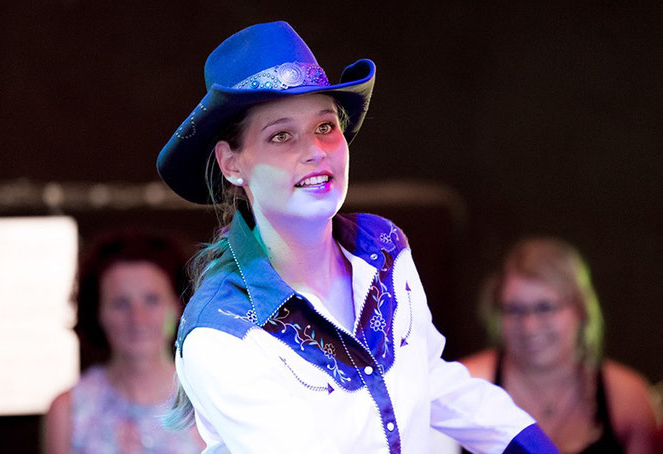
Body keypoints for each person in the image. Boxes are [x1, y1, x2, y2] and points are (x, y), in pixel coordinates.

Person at [156, 21, 558, 453]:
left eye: (325, 127)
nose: (314, 150)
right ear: (232, 164)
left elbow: (429, 378)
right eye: (281, 135)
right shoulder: (221, 333)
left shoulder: (382, 246)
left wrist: (530, 444)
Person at [460, 237, 657, 453]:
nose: (529, 326)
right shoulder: (465, 384)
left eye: (545, 307)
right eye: (514, 310)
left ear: (581, 309)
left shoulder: (627, 396)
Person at [42, 229, 204, 453]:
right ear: (97, 312)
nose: (138, 318)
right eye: (120, 303)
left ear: (178, 307)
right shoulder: (68, 411)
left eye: (152, 300)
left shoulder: (209, 403)